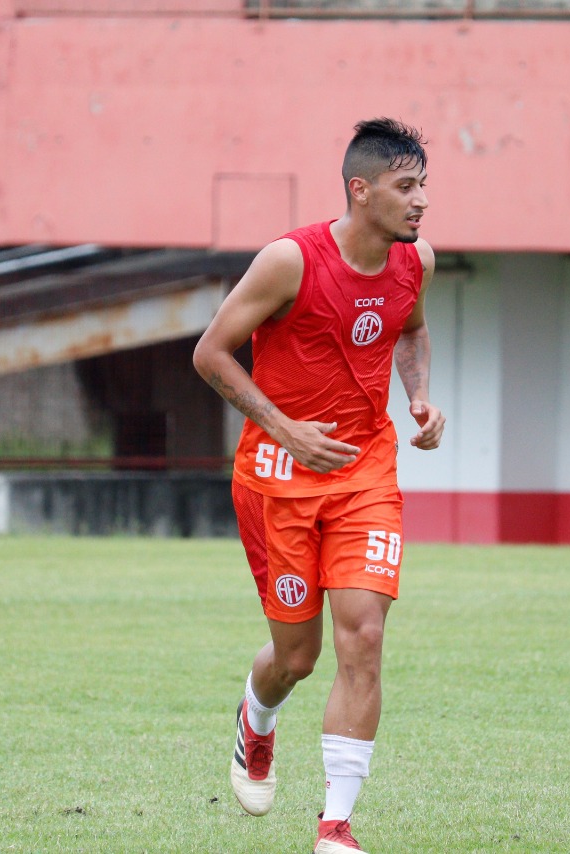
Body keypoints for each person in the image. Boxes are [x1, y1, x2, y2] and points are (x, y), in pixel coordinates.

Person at [192, 118, 444, 854]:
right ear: (360, 190)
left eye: (424, 185)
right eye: (406, 186)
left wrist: (419, 397)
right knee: (296, 659)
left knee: (364, 634)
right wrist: (285, 428)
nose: (421, 200)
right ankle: (257, 719)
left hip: (366, 471)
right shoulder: (289, 261)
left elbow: (410, 329)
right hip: (277, 481)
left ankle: (336, 827)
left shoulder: (416, 260)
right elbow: (211, 353)